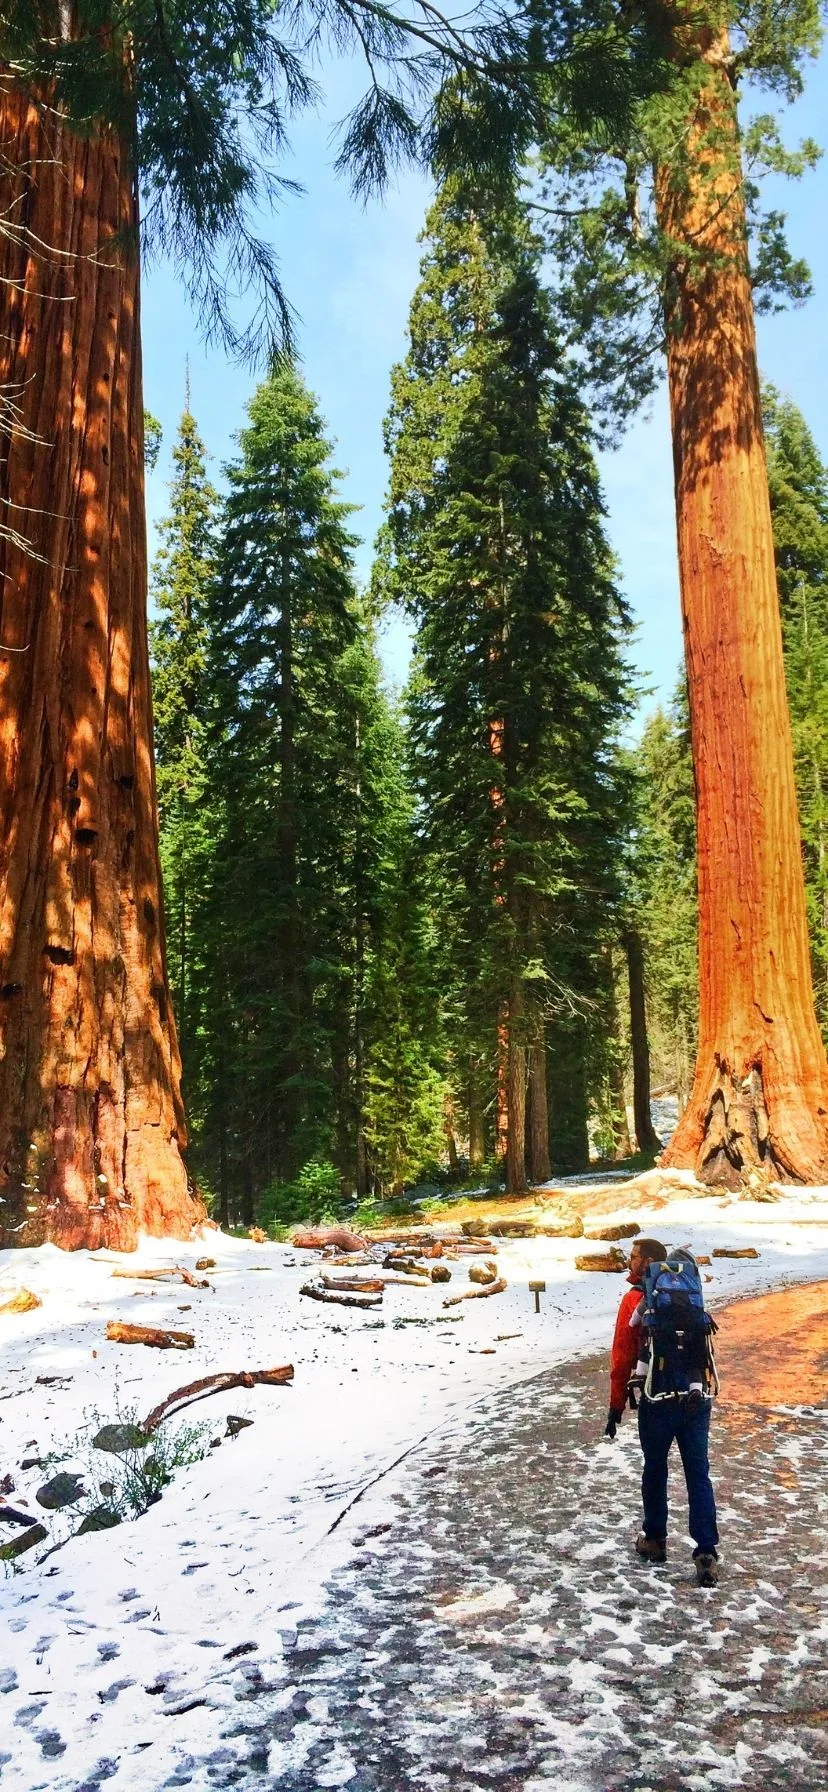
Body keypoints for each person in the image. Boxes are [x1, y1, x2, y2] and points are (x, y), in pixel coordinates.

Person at [604, 1236, 720, 1589]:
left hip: (657, 1399)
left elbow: (623, 1356)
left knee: (655, 1469)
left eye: (634, 1257)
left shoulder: (637, 1300)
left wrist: (615, 1406)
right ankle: (706, 1552)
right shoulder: (686, 1290)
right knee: (698, 1473)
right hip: (695, 1397)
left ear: (649, 1261)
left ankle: (655, 1539)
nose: (629, 1262)